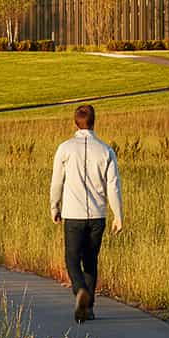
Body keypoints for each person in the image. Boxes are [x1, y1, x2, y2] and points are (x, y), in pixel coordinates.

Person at [48, 103, 124, 323]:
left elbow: (57, 182)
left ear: (76, 122)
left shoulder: (64, 148)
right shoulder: (106, 150)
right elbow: (113, 186)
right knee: (91, 260)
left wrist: (55, 207)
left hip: (73, 213)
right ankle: (88, 308)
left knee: (72, 258)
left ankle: (80, 290)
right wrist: (118, 215)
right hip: (98, 215)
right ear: (94, 122)